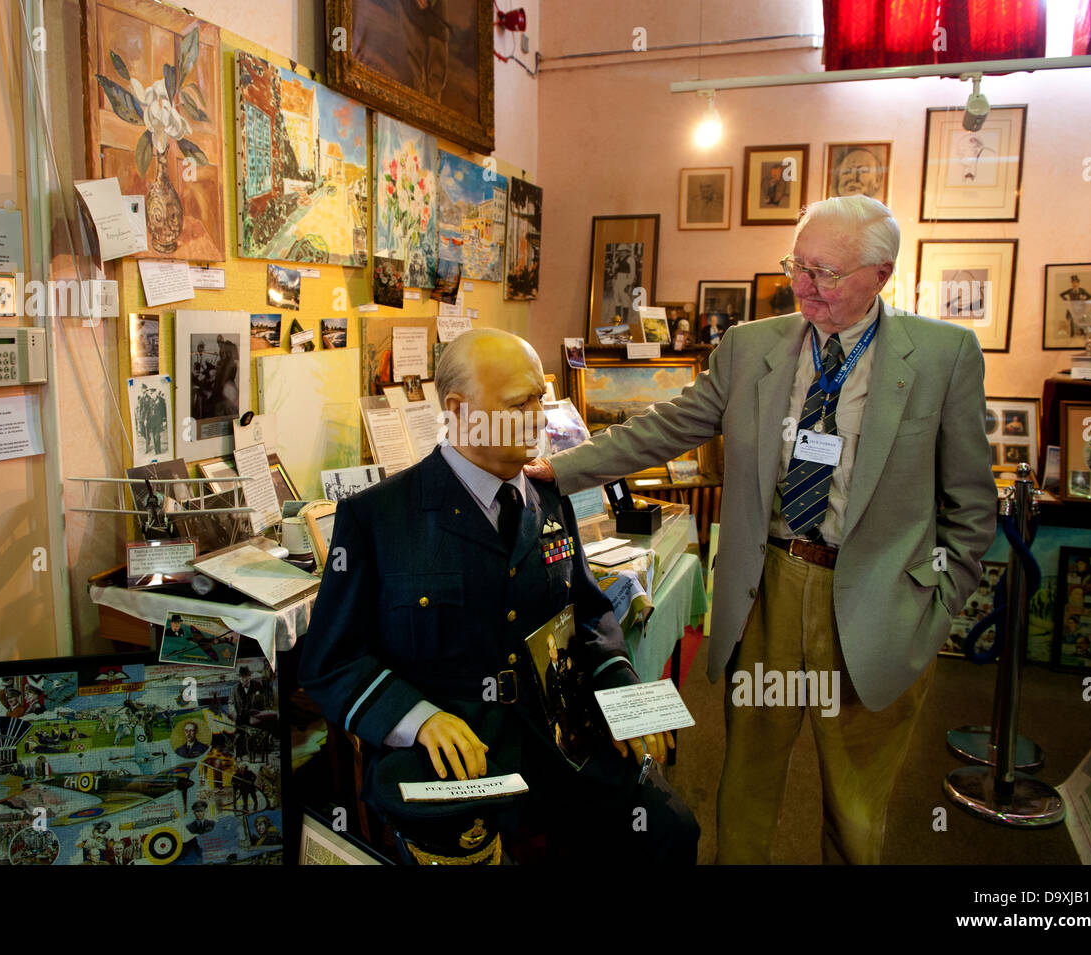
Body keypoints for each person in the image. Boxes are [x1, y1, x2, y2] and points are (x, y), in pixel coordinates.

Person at [528, 196, 996, 865]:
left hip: (877, 601)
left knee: (857, 807)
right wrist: (557, 470)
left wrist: (934, 601)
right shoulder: (751, 348)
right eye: (797, 266)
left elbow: (972, 506)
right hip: (767, 591)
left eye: (826, 273)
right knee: (745, 781)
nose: (804, 286)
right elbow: (667, 426)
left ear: (881, 274)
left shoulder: (944, 356)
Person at [299, 328, 699, 864]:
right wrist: (417, 717)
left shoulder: (547, 495)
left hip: (560, 737)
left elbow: (587, 611)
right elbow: (331, 661)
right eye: (520, 403)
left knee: (669, 832)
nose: (541, 417)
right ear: (461, 410)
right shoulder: (379, 518)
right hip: (455, 760)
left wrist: (621, 686)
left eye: (541, 398)